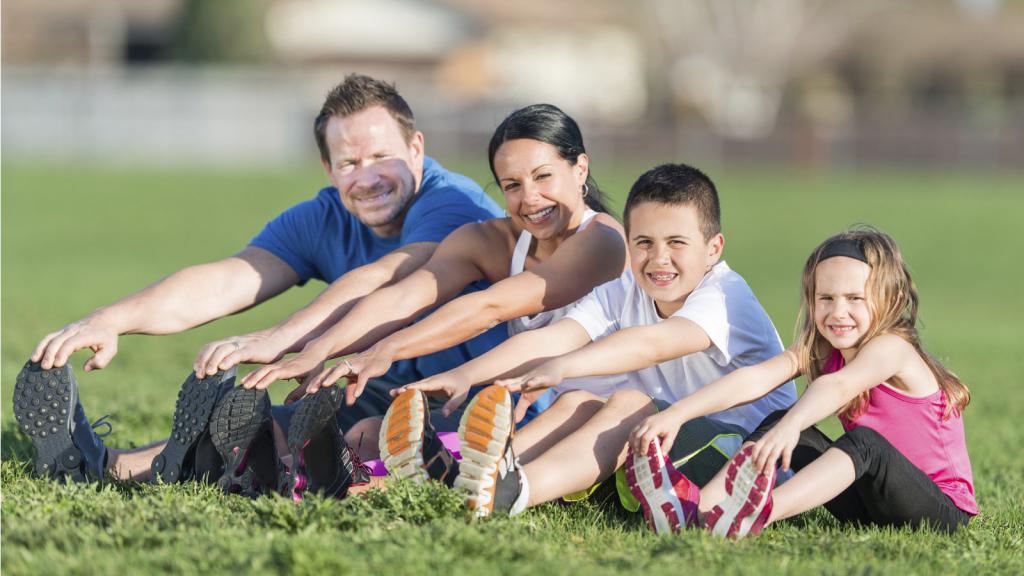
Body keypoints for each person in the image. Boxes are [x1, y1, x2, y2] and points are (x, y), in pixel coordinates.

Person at [15, 74, 506, 489]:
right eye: (350, 164)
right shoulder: (324, 216)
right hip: (382, 385)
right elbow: (228, 280)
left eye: (381, 157)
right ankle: (102, 465)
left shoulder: (454, 206)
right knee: (255, 425)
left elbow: (390, 277)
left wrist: (282, 338)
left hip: (477, 397)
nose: (368, 177)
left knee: (365, 437)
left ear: (416, 149)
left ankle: (277, 471)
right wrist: (111, 320)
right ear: (328, 169)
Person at [224, 103, 628, 481]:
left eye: (543, 176)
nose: (529, 198)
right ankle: (266, 471)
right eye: (512, 185)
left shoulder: (602, 241)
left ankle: (299, 476)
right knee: (366, 433)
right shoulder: (496, 240)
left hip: (599, 424)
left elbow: (489, 307)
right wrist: (320, 348)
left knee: (383, 441)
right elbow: (406, 294)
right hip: (531, 409)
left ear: (579, 169)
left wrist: (385, 351)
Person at [399, 163, 796, 517]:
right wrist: (466, 375)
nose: (658, 259)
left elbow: (652, 344)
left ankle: (511, 491)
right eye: (644, 243)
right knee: (577, 402)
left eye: (677, 243)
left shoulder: (727, 296)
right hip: (671, 441)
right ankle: (468, 479)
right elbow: (554, 338)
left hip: (753, 459)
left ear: (713, 248)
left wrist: (563, 366)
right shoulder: (626, 288)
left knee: (629, 404)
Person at [625, 227, 976, 538]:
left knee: (866, 442)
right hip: (870, 505)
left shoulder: (892, 348)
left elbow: (837, 387)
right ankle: (700, 511)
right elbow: (755, 379)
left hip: (939, 510)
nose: (837, 312)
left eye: (854, 299)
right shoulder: (825, 347)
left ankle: (754, 514)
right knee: (777, 419)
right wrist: (678, 414)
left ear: (891, 300)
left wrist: (793, 425)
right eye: (826, 298)